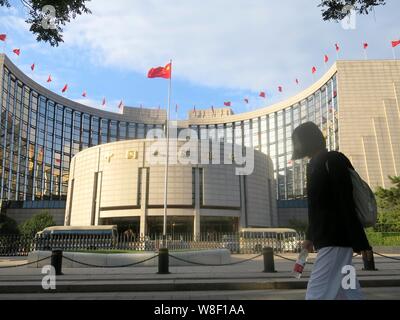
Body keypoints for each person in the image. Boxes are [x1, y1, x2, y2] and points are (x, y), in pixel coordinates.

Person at [291, 122, 371, 300]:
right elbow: (316, 207)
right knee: (348, 290)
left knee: (316, 292)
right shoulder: (313, 165)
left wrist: (361, 240)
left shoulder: (333, 159)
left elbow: (345, 201)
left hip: (335, 239)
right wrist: (309, 237)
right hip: (331, 239)